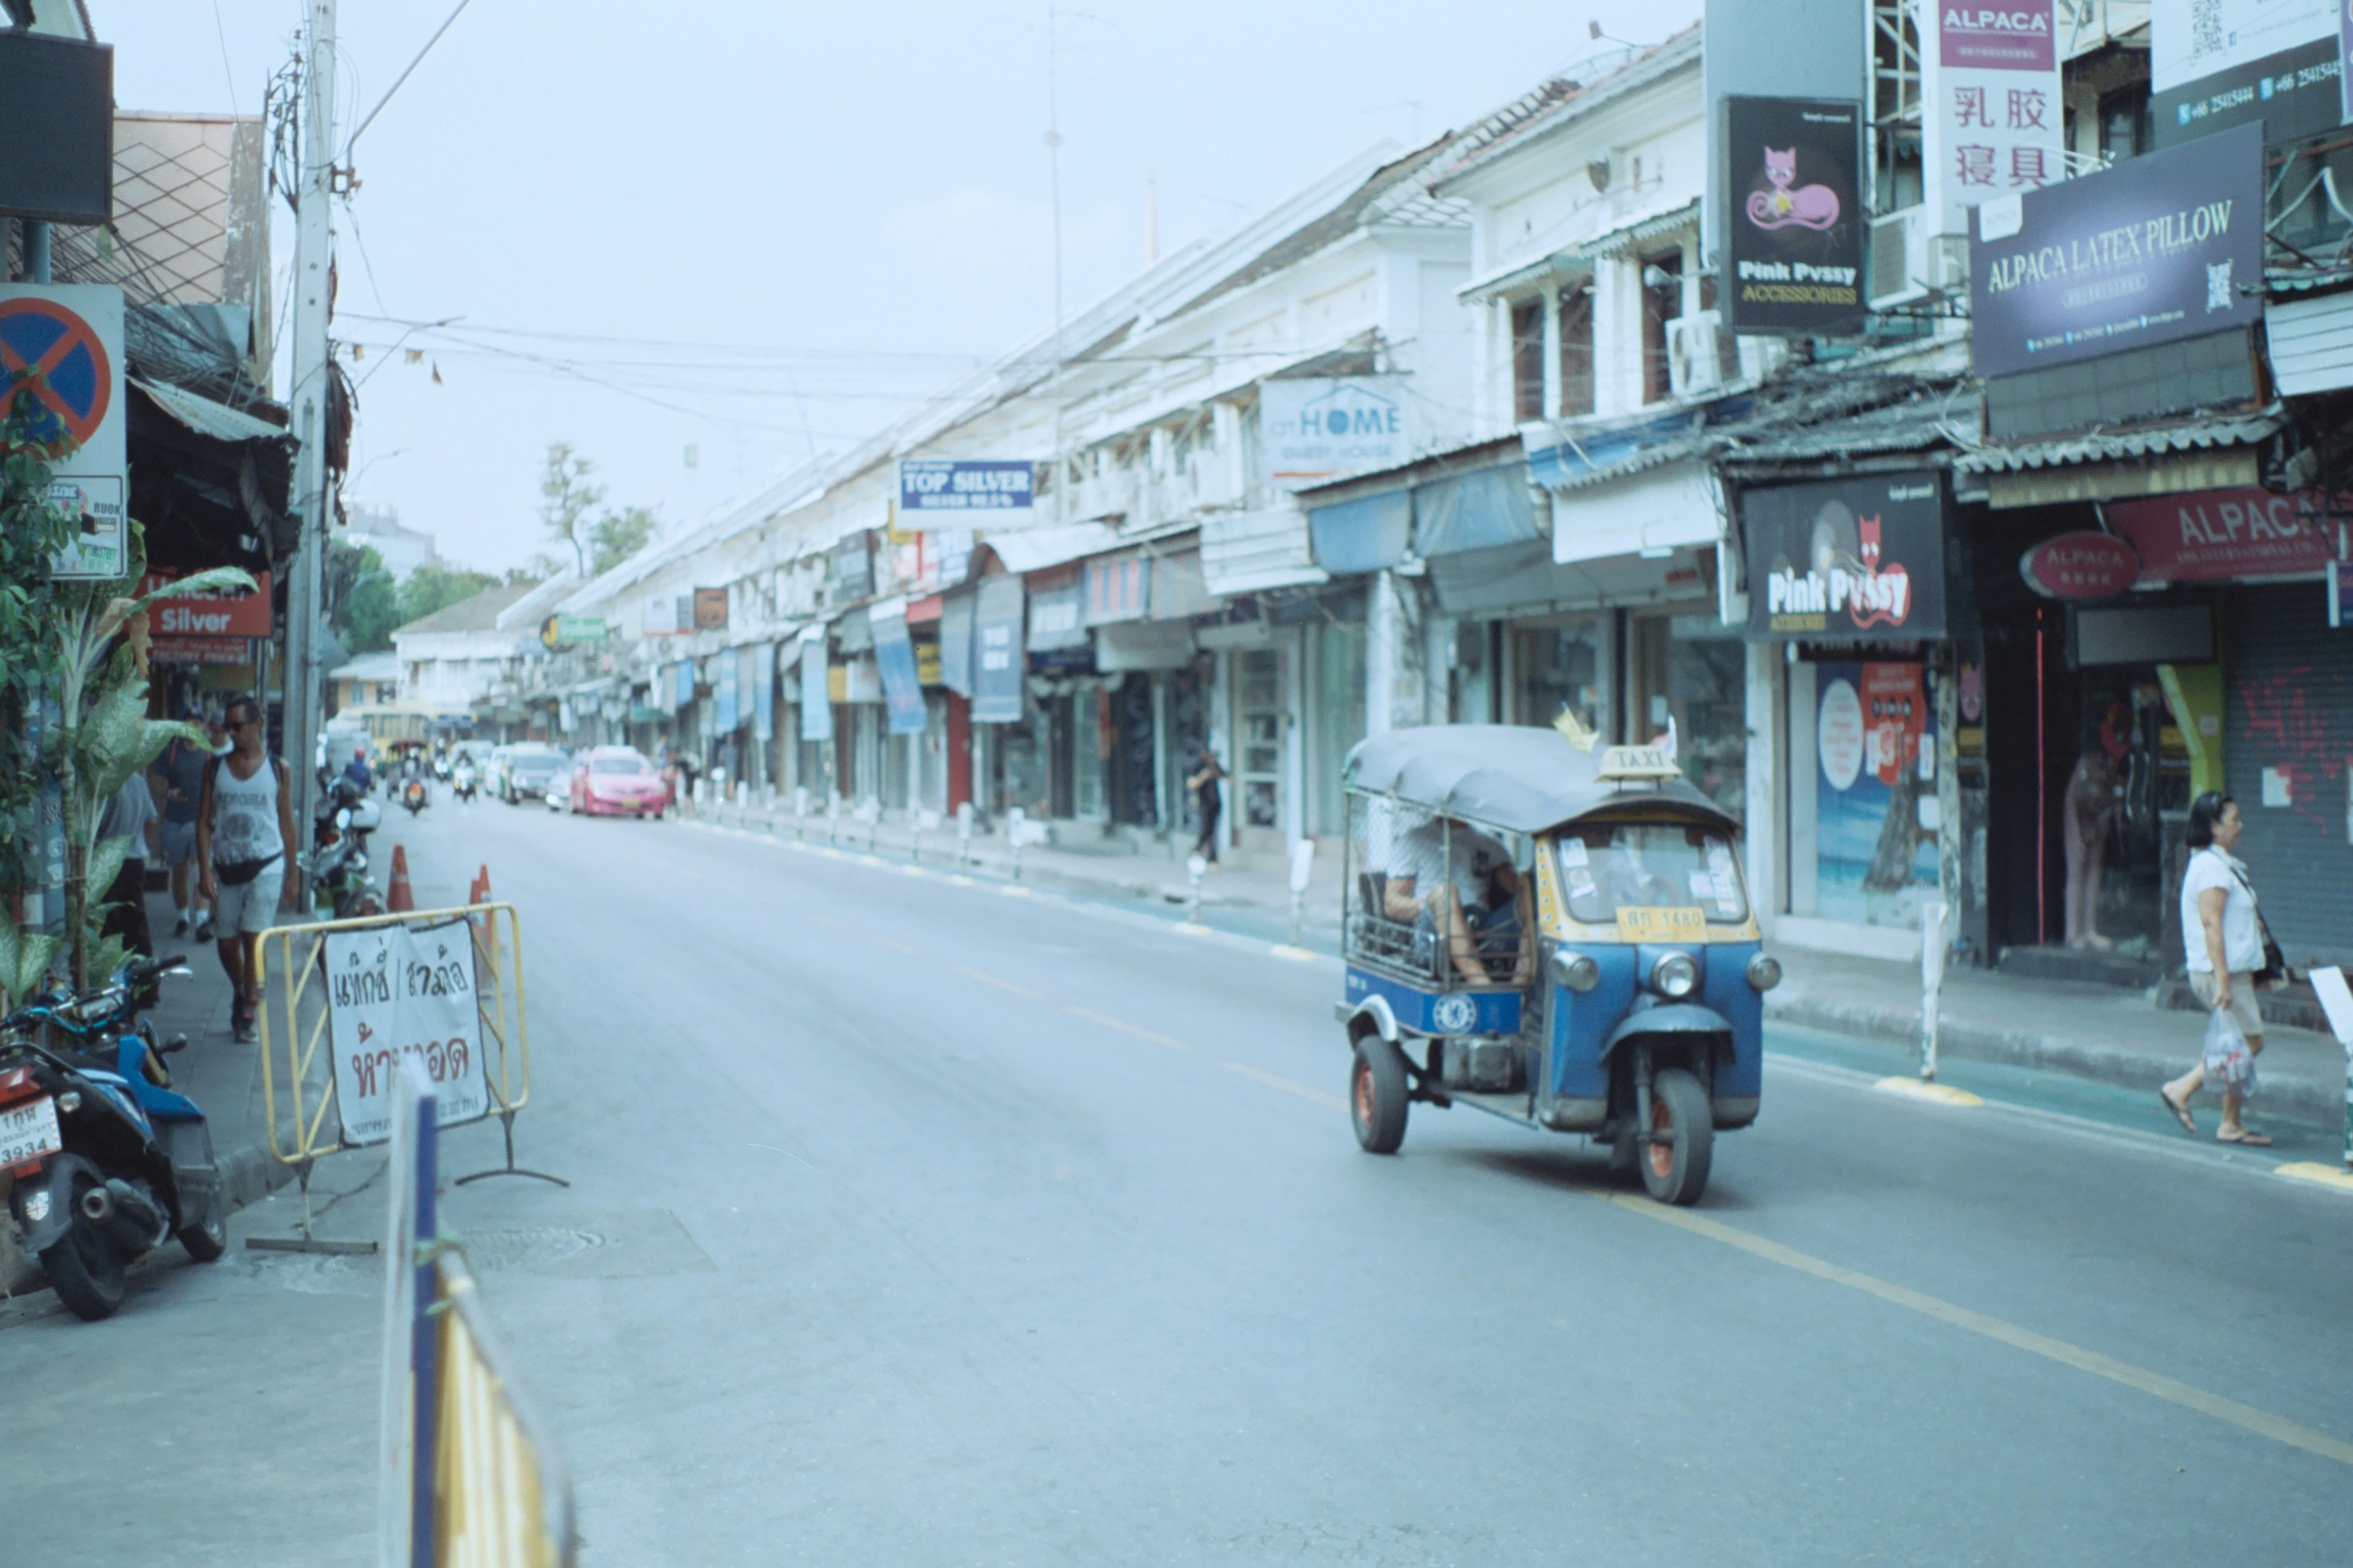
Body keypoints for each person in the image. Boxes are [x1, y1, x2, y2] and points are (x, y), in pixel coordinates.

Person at [2161, 791, 2271, 1146]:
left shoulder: (2216, 863)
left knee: (2239, 1043)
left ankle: (2230, 1121)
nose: (2240, 826)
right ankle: (2182, 1088)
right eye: (2233, 820)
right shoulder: (2210, 868)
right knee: (2247, 1043)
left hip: (2229, 971)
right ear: (2212, 825)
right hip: (2218, 973)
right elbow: (2212, 925)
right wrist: (2222, 980)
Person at [196, 696, 299, 1044]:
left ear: (257, 725)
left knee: (254, 938)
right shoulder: (214, 767)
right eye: (228, 727)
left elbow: (286, 824)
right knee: (227, 944)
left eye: (238, 726)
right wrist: (204, 872)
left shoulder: (277, 770)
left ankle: (249, 1010)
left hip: (266, 865)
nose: (231, 732)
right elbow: (204, 822)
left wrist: (293, 875)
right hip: (226, 869)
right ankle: (242, 989)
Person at [1383, 813, 1527, 983]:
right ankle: (1482, 986)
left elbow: (1517, 889)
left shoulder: (1488, 842)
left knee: (1530, 895)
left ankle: (1522, 985)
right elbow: (1391, 903)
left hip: (1483, 927)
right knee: (1445, 891)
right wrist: (1428, 905)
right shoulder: (1414, 839)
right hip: (1436, 932)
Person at [151, 711, 214, 939]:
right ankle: (183, 917)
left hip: (201, 823)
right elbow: (156, 783)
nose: (194, 727)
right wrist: (169, 793)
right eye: (190, 723)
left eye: (198, 723)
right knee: (179, 871)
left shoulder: (209, 755)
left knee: (200, 871)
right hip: (175, 822)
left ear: (204, 726)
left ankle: (202, 923)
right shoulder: (171, 752)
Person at [95, 767, 161, 960]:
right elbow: (152, 820)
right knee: (136, 921)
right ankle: (144, 979)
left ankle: (114, 975)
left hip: (107, 861)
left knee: (109, 926)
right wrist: (137, 841)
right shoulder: (138, 781)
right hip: (134, 860)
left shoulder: (105, 784)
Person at [1187, 747, 1224, 864]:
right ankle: (1200, 852)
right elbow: (1191, 785)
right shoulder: (1198, 766)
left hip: (1216, 803)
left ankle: (1205, 854)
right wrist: (1203, 776)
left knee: (1213, 830)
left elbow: (1225, 776)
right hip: (1204, 803)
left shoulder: (1214, 766)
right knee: (1206, 829)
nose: (1214, 759)